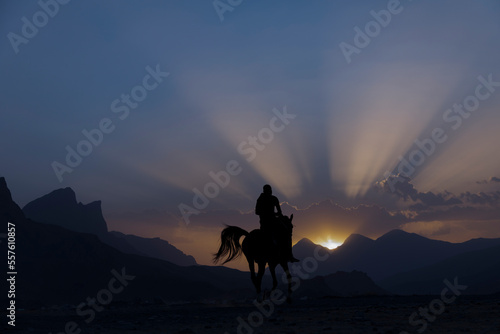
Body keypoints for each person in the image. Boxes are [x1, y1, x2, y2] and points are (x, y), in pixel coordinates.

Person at [255, 184, 299, 263]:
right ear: (265, 191)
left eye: (270, 190)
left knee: (287, 233)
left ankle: (289, 255)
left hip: (274, 220)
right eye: (268, 190)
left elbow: (279, 212)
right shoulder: (260, 199)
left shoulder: (274, 199)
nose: (270, 192)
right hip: (265, 221)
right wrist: (268, 213)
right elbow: (257, 212)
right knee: (265, 236)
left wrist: (279, 216)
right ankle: (261, 255)